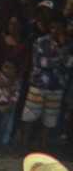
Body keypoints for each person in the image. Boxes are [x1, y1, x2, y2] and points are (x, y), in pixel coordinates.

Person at [21, 19, 70, 151]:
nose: (56, 31)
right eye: (53, 27)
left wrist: (61, 51)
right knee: (29, 116)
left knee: (49, 119)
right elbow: (41, 62)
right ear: (50, 28)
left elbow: (69, 64)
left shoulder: (67, 44)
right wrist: (60, 58)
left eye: (59, 28)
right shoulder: (41, 41)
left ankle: (42, 147)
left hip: (57, 86)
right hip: (39, 84)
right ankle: (24, 145)